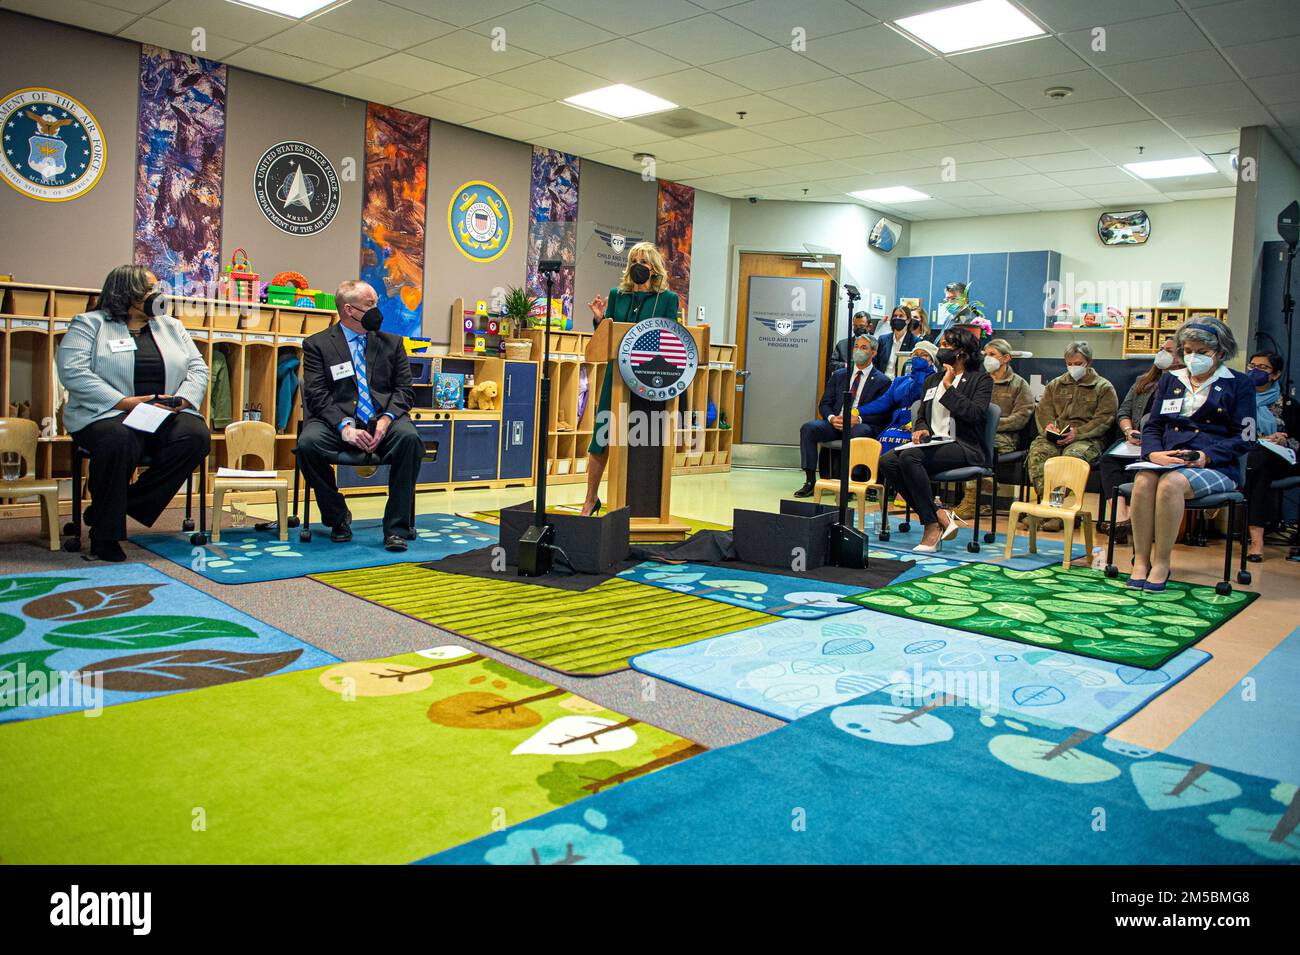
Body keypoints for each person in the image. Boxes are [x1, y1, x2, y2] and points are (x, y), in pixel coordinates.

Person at [55, 266, 210, 562]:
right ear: (125, 293)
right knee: (119, 438)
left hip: (163, 410)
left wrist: (181, 401)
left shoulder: (171, 326)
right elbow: (73, 372)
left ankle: (119, 505)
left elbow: (198, 368)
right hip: (106, 413)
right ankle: (105, 535)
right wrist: (126, 403)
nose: (156, 295)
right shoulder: (89, 324)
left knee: (196, 436)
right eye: (148, 289)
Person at [1128, 318, 1255, 590]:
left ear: (1219, 353)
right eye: (1187, 350)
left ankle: (1161, 563)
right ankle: (1141, 560)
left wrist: (1204, 456)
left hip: (1216, 465)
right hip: (1169, 458)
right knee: (1143, 481)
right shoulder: (1170, 380)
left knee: (1170, 485)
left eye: (1201, 352)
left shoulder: (1238, 384)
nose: (1192, 357)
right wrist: (1153, 455)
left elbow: (1245, 437)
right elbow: (1153, 426)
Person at [296, 279, 422, 552]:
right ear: (349, 310)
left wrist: (387, 420)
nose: (377, 310)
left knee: (410, 439)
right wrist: (345, 428)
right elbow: (317, 395)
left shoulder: (393, 343)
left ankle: (396, 528)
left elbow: (404, 391)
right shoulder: (317, 345)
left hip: (383, 422)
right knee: (307, 445)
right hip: (336, 423)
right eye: (370, 305)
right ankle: (337, 517)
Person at [581, 241, 679, 516]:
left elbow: (671, 339)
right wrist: (601, 321)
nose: (639, 266)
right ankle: (590, 499)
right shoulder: (618, 295)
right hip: (616, 378)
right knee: (602, 436)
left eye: (645, 261)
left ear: (655, 269)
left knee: (641, 438)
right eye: (634, 260)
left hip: (648, 378)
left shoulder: (668, 300)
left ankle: (639, 506)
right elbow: (606, 338)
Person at [878, 326, 992, 552]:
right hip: (933, 443)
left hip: (963, 445)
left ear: (962, 352)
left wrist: (949, 388)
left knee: (910, 457)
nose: (942, 350)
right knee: (887, 461)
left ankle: (931, 525)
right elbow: (921, 415)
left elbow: (975, 414)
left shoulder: (981, 380)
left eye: (947, 346)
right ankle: (938, 513)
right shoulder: (932, 380)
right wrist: (920, 429)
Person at [1025, 341, 1118, 529]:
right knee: (1038, 454)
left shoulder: (1103, 387)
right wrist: (1048, 428)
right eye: (1070, 363)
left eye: (1078, 363)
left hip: (1086, 439)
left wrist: (1078, 433)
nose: (1073, 367)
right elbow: (1043, 412)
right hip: (1056, 435)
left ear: (1088, 362)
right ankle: (1048, 509)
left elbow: (1104, 419)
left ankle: (1058, 512)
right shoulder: (1055, 385)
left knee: (1070, 459)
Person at [1098, 338, 1180, 545]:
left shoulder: (1182, 386)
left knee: (1143, 469)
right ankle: (1120, 517)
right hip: (1133, 440)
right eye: (1161, 349)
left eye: (1169, 350)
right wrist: (1128, 431)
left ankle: (1132, 521)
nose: (1163, 353)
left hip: (1160, 445)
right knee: (1109, 459)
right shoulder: (1143, 381)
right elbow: (1124, 411)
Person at [794, 335, 891, 496]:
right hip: (836, 422)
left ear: (873, 353)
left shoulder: (882, 381)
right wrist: (832, 418)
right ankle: (810, 480)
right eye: (856, 346)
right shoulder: (840, 375)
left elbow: (882, 414)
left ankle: (853, 482)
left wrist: (857, 419)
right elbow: (824, 404)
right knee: (809, 428)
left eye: (864, 348)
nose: (858, 351)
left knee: (859, 432)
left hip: (859, 425)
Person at [953, 337, 1034, 519]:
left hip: (1004, 436)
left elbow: (1022, 415)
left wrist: (994, 425)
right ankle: (984, 484)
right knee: (963, 442)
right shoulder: (978, 380)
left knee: (976, 445)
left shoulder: (1019, 384)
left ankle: (971, 502)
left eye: (992, 355)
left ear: (1006, 358)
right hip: (975, 431)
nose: (987, 358)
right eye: (985, 355)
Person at [1243, 350, 1300, 560]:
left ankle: (1256, 540)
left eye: (1263, 368)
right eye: (1252, 366)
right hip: (1250, 457)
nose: (1255, 371)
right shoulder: (1239, 400)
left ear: (1275, 375)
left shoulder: (1287, 405)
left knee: (1262, 463)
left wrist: (1284, 439)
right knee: (1260, 464)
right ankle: (1257, 540)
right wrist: (1260, 440)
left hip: (1283, 460)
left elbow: (1297, 440)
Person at [861, 339, 939, 454]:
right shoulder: (900, 381)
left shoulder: (935, 380)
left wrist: (920, 372)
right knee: (884, 438)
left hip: (920, 422)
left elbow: (917, 395)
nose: (918, 358)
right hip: (899, 421)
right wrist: (858, 411)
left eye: (924, 355)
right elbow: (883, 403)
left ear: (931, 361)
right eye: (915, 355)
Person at [874, 305, 919, 378]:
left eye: (901, 316)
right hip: (882, 381)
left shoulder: (915, 341)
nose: (897, 318)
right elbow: (875, 362)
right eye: (895, 316)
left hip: (901, 382)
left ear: (908, 320)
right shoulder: (883, 339)